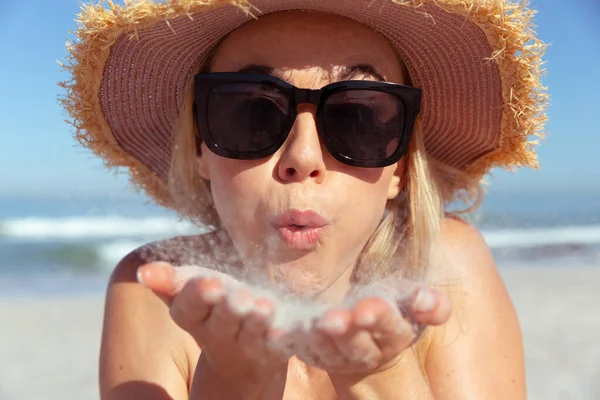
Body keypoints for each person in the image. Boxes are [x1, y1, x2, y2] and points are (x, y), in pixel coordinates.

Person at [60, 0, 548, 398]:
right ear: (200, 151)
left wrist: (382, 375)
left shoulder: (446, 266)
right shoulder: (153, 290)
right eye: (252, 111)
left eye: (360, 117)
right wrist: (235, 381)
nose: (303, 156)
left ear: (399, 165)